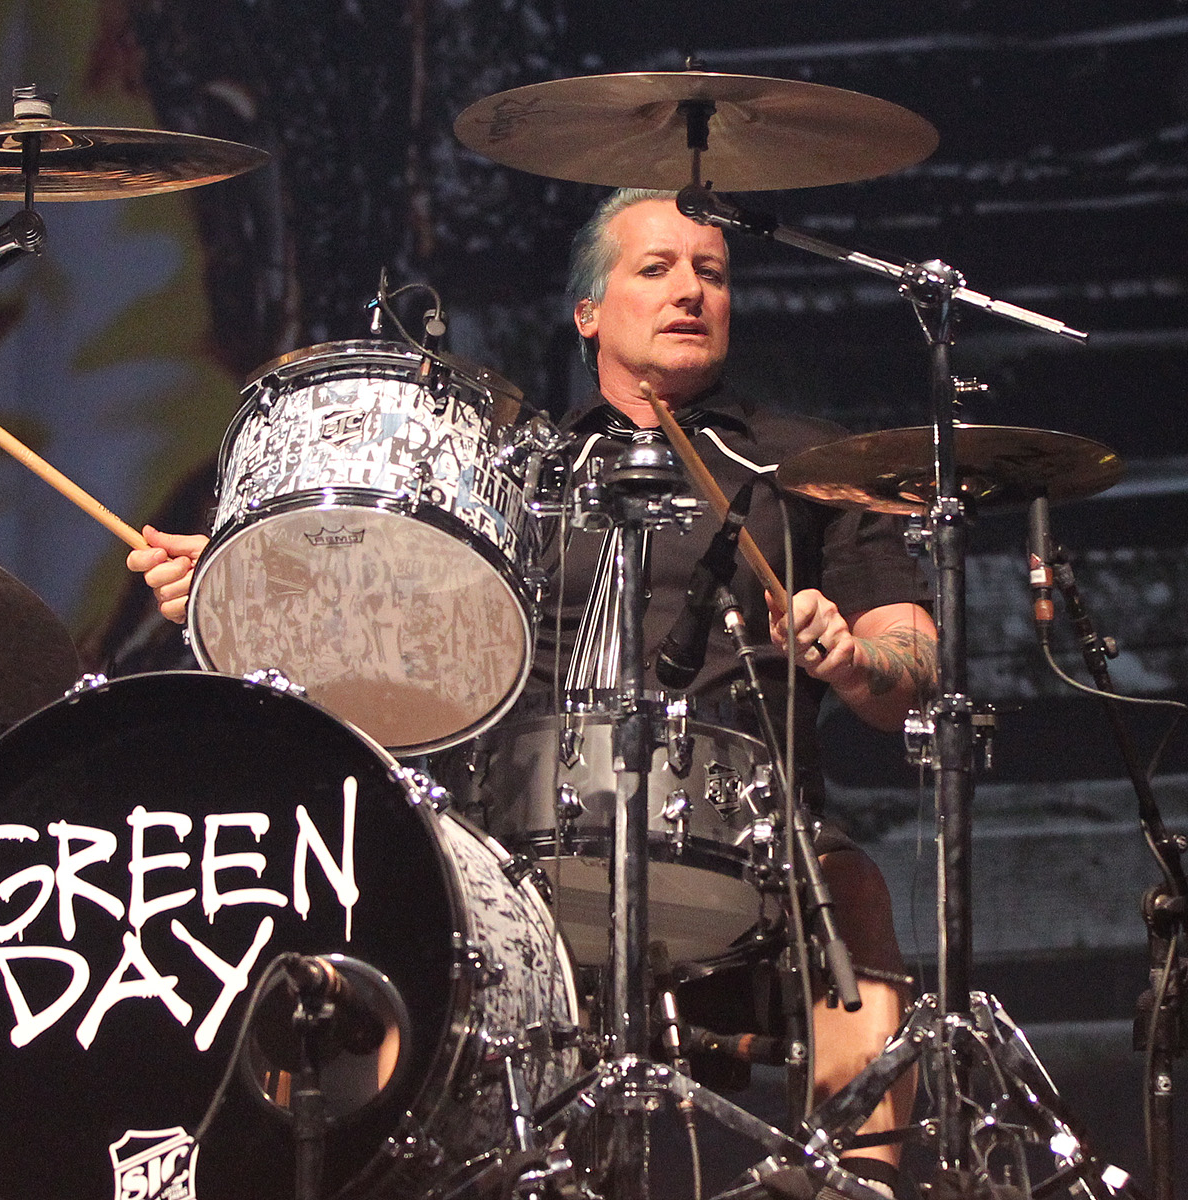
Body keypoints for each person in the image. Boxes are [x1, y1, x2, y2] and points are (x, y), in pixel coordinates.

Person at [128, 189, 934, 1197]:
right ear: (588, 311)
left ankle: (859, 1184)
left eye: (712, 273)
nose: (690, 291)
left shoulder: (810, 465)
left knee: (853, 890)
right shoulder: (514, 472)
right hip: (517, 842)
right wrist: (242, 583)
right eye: (656, 269)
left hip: (751, 841)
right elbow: (374, 641)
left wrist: (852, 659)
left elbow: (913, 664)